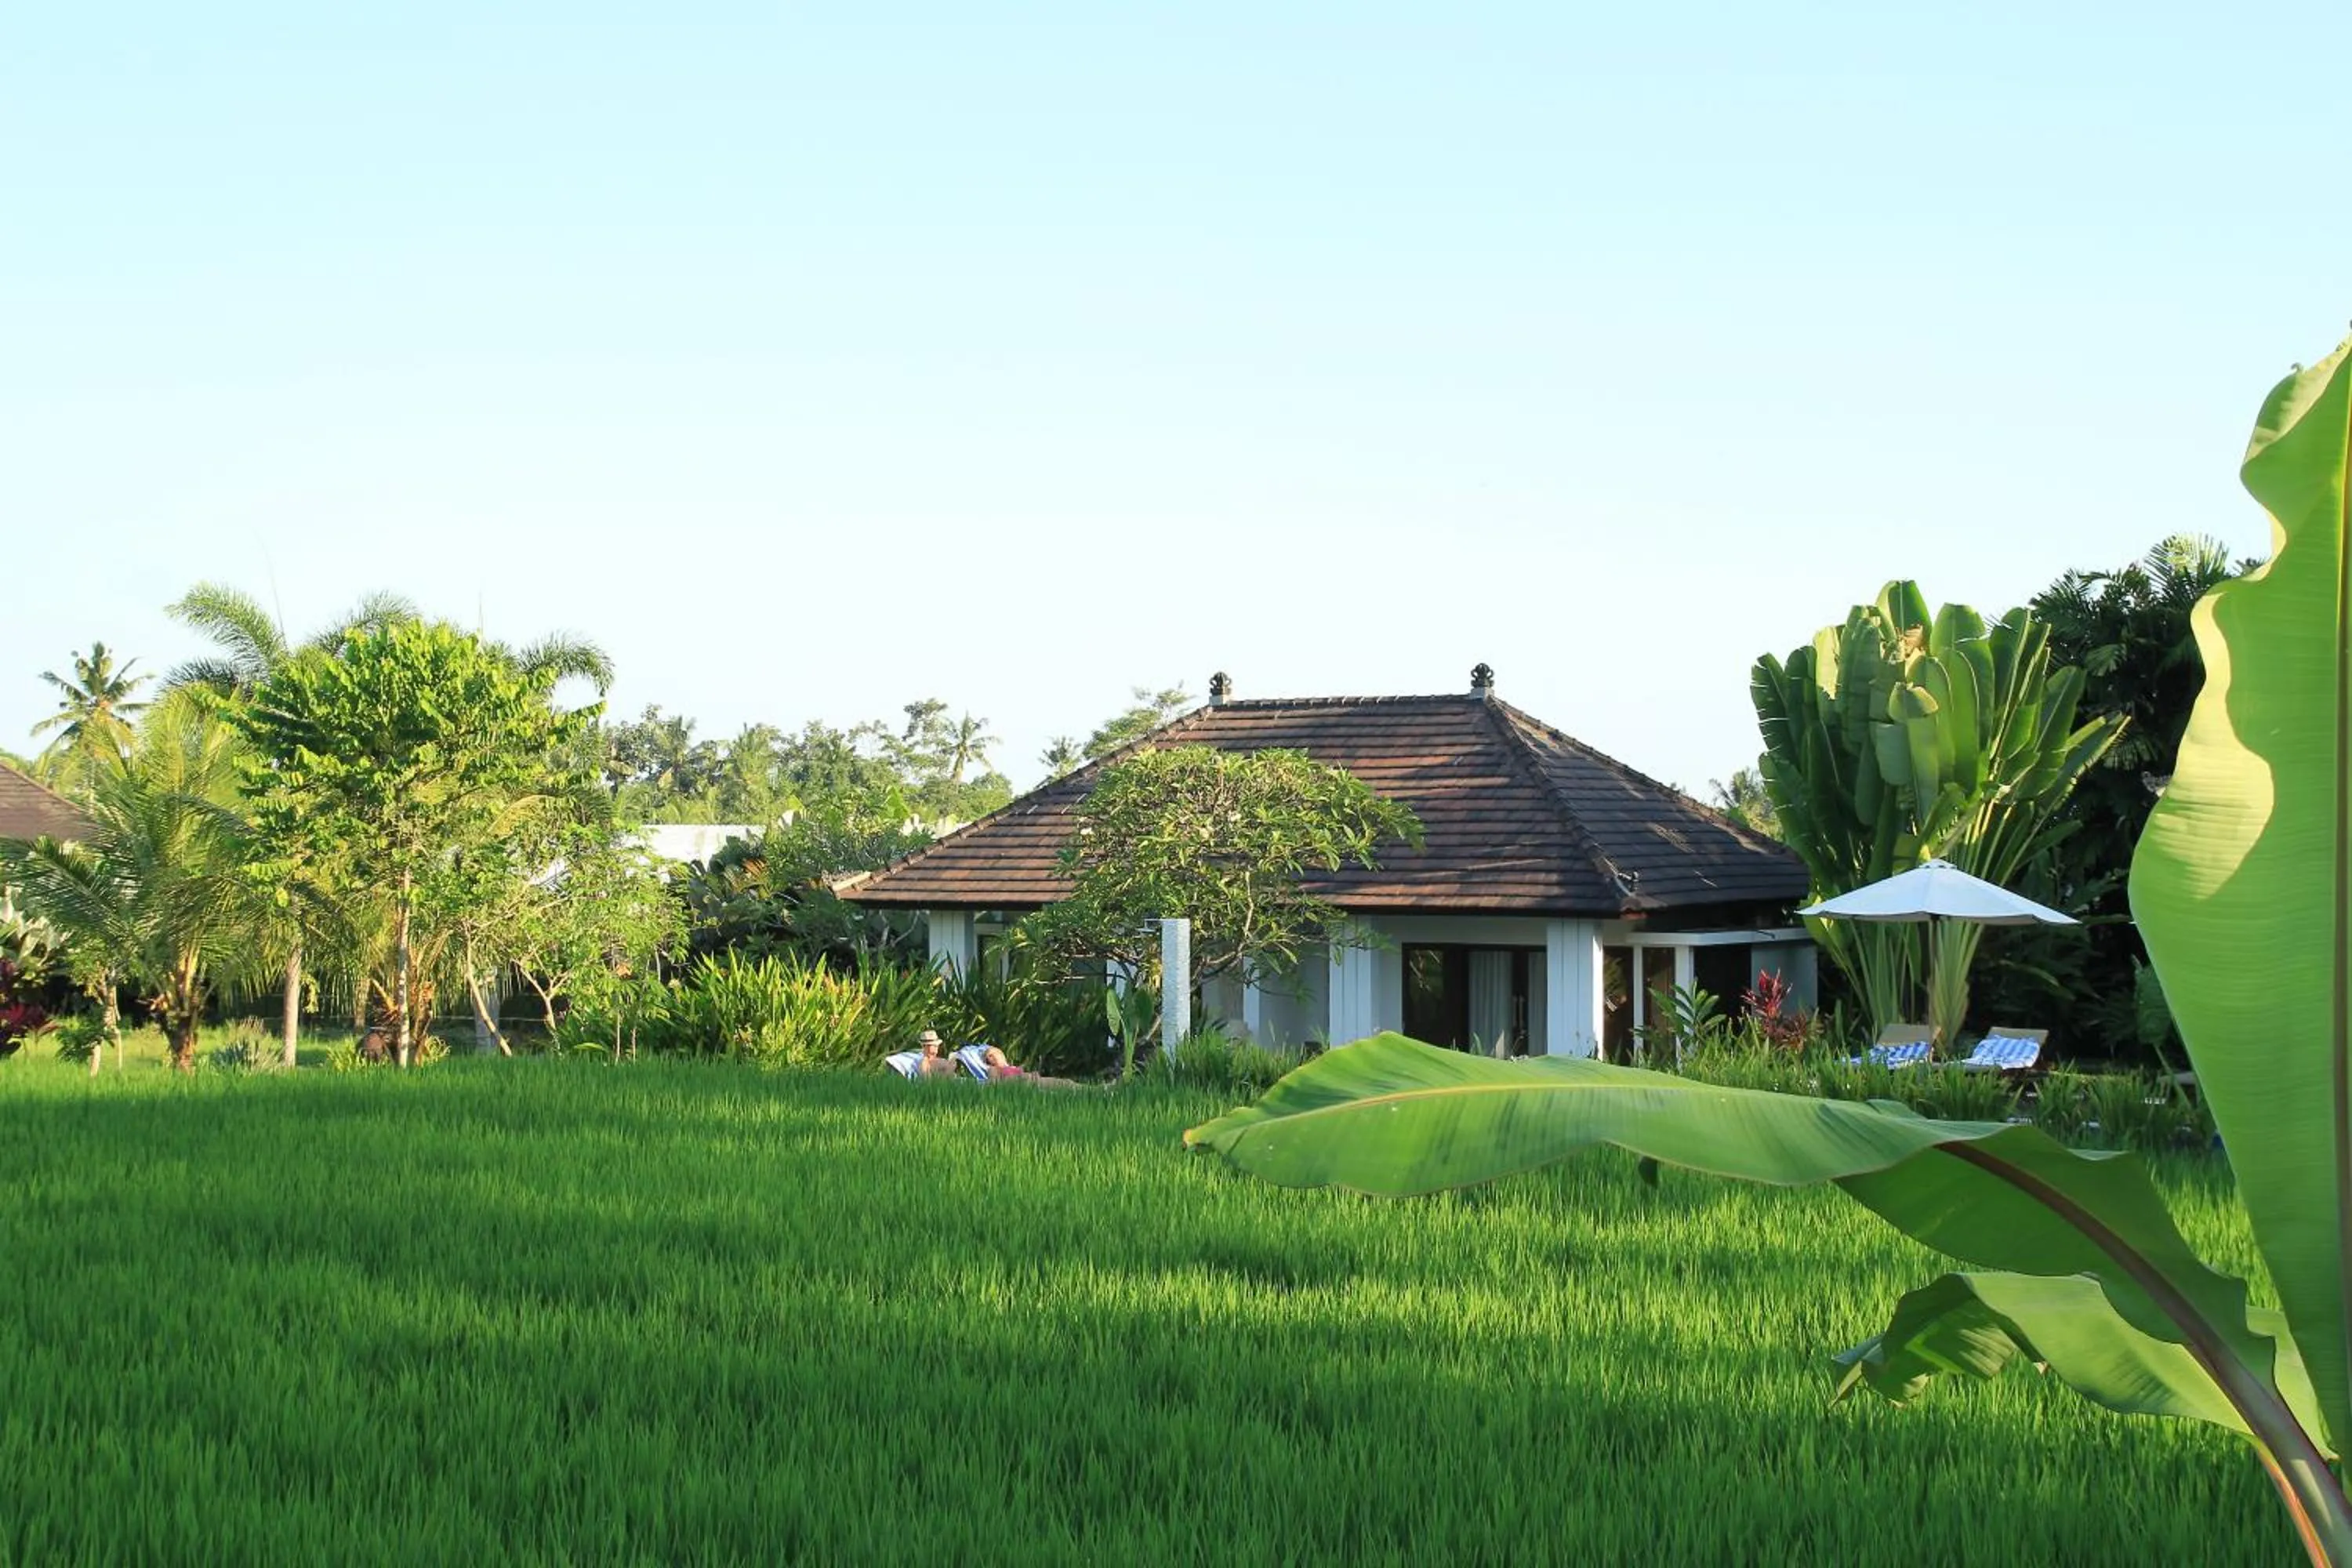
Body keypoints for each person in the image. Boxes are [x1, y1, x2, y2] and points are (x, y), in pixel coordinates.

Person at [977, 1044, 1080, 1090]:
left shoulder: (1012, 1067)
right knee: (1064, 1087)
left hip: (1034, 1080)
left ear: (1001, 1054)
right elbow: (992, 1086)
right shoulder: (994, 1070)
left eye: (993, 1054)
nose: (992, 1058)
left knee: (1066, 1083)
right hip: (1029, 1085)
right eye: (988, 1058)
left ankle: (1094, 1090)